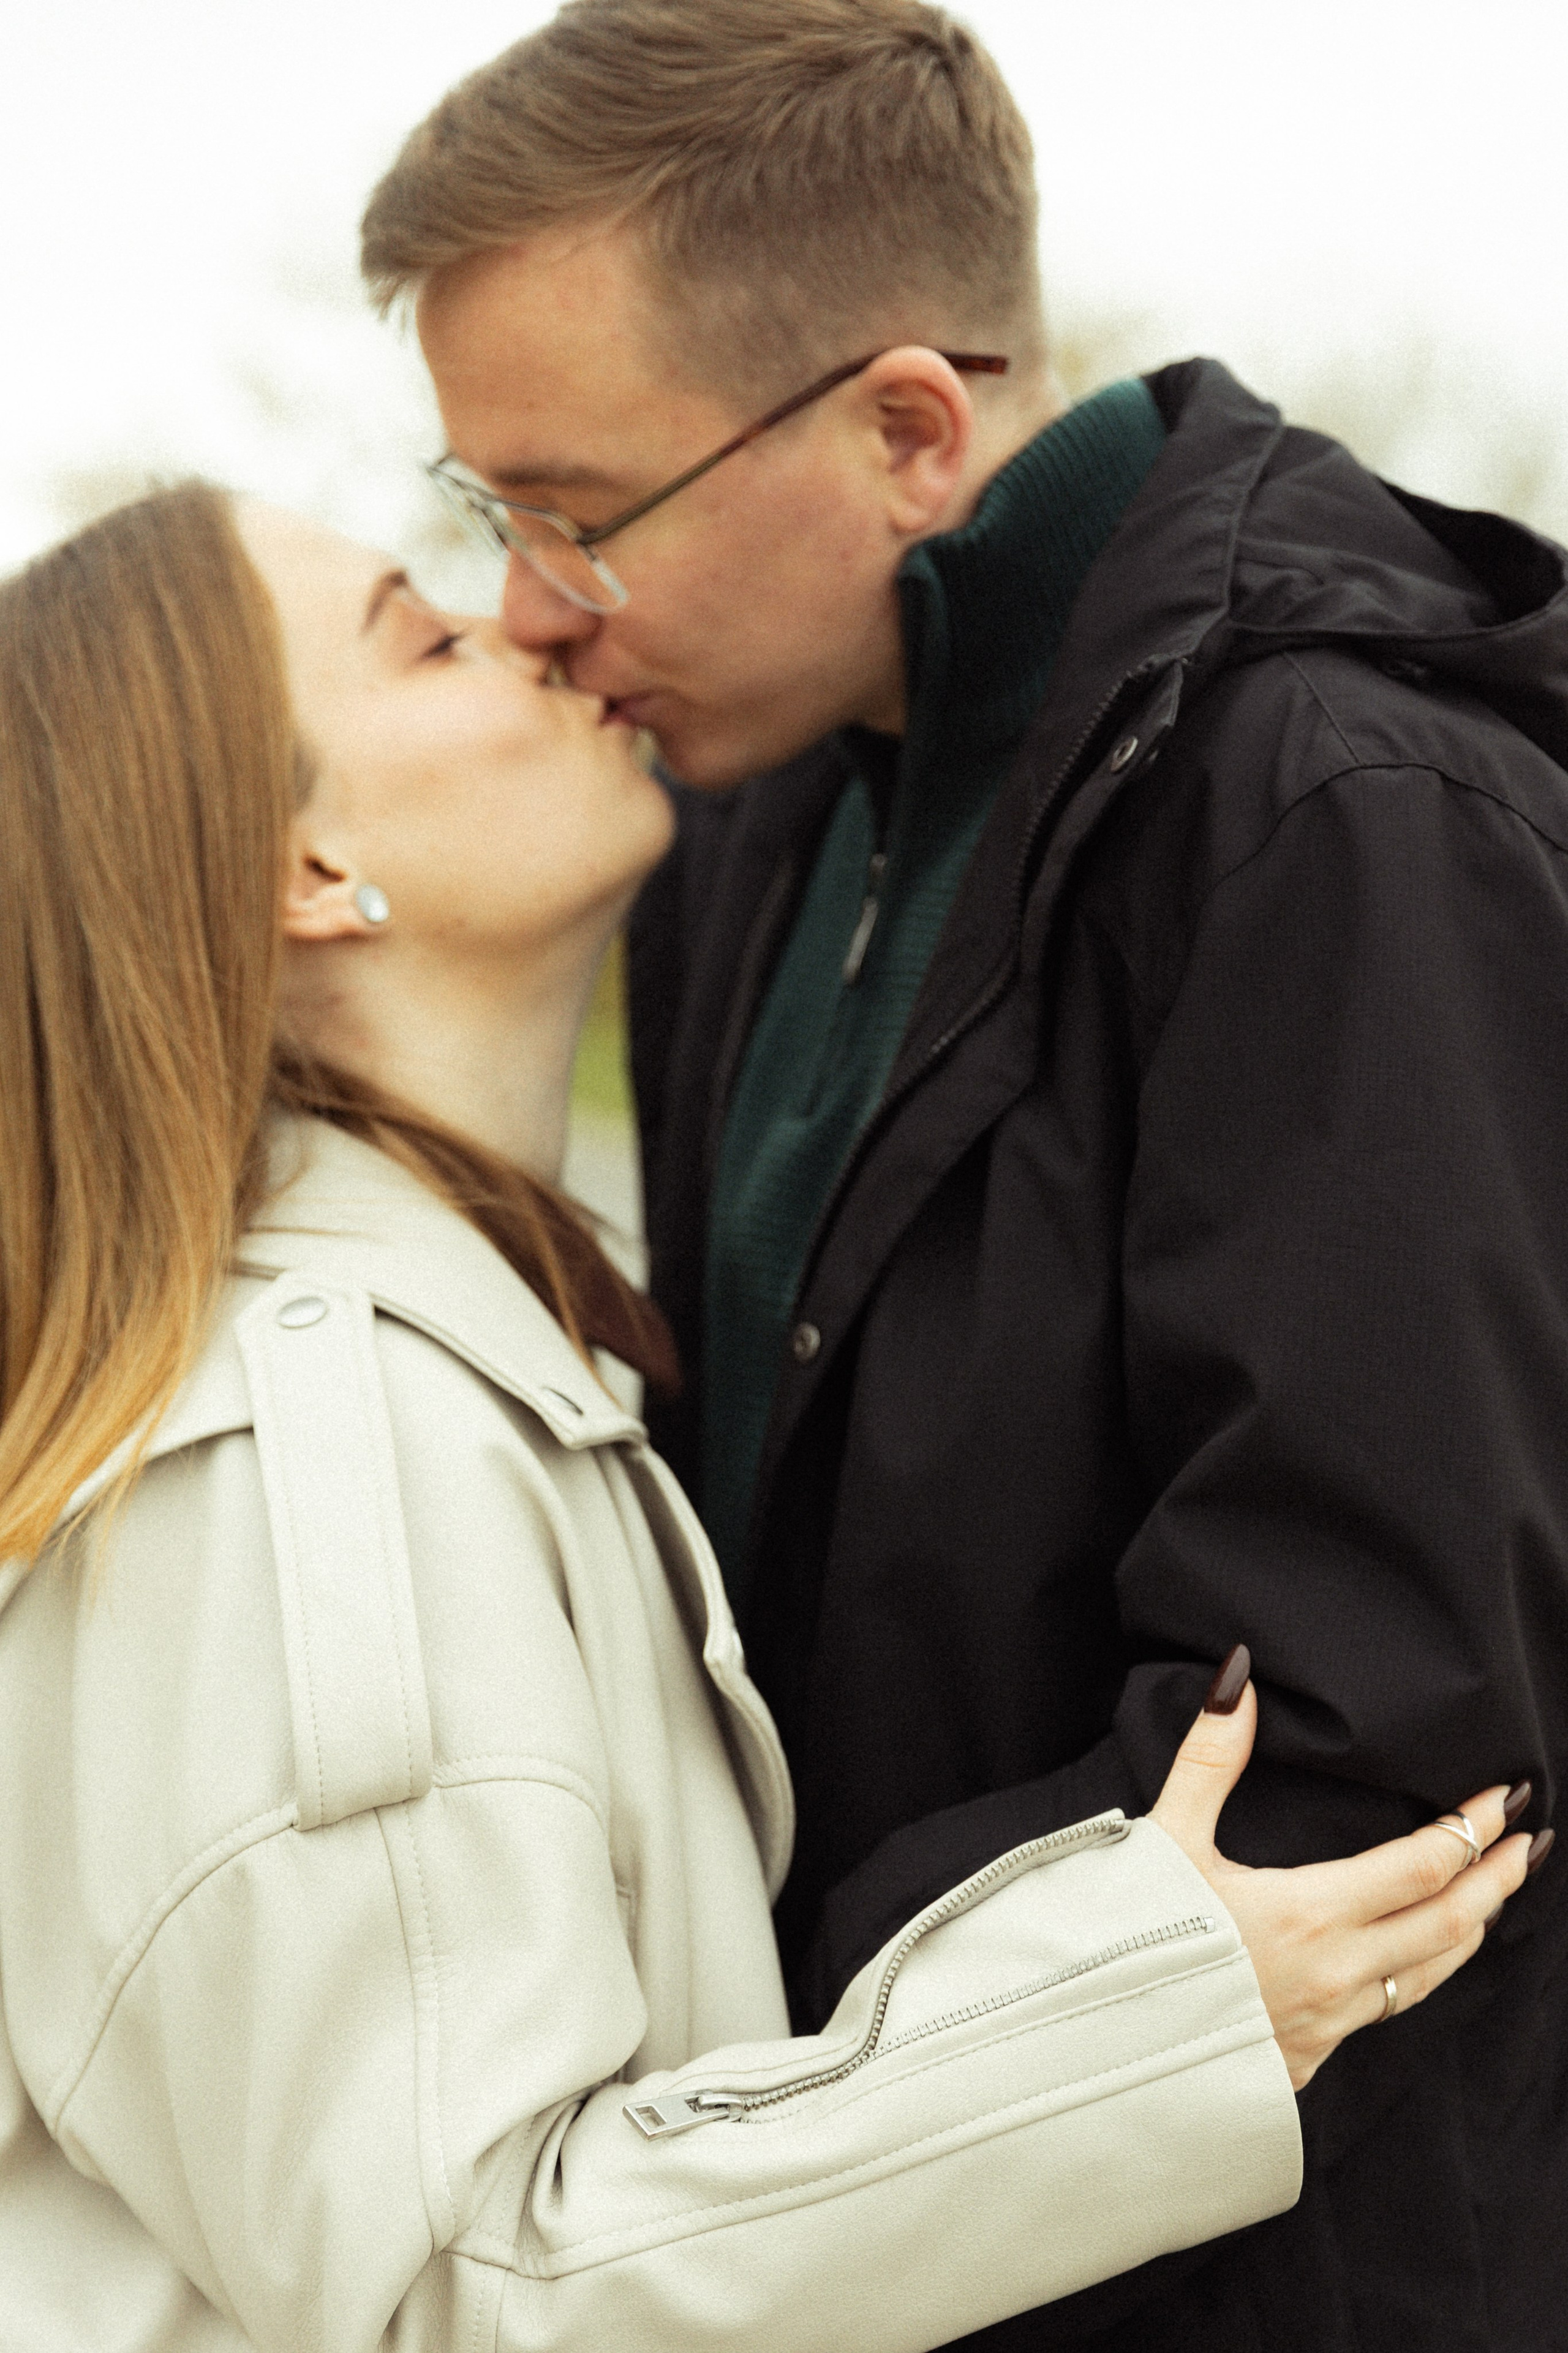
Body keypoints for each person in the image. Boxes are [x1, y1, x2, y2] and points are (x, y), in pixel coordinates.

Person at [0, 487, 1528, 2353]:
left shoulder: (449, 1360)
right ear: (307, 868)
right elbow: (455, 2291)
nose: (532, 621)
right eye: (426, 631)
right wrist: (1157, 2018)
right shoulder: (306, 1454)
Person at [361, 3, 1568, 2346]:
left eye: (576, 514)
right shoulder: (748, 813)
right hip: (868, 2243)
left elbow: (1359, 1753)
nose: (525, 608)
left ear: (911, 431)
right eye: (479, 512)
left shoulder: (1343, 813)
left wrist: (693, 2056)